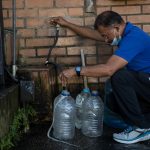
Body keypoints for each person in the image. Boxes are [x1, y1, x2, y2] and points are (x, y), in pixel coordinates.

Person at [49, 11, 150, 144]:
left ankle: (140, 129)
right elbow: (91, 33)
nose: (106, 40)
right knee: (114, 101)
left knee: (119, 77)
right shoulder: (124, 33)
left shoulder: (134, 38)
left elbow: (109, 69)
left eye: (106, 36)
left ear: (116, 28)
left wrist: (76, 70)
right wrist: (67, 24)